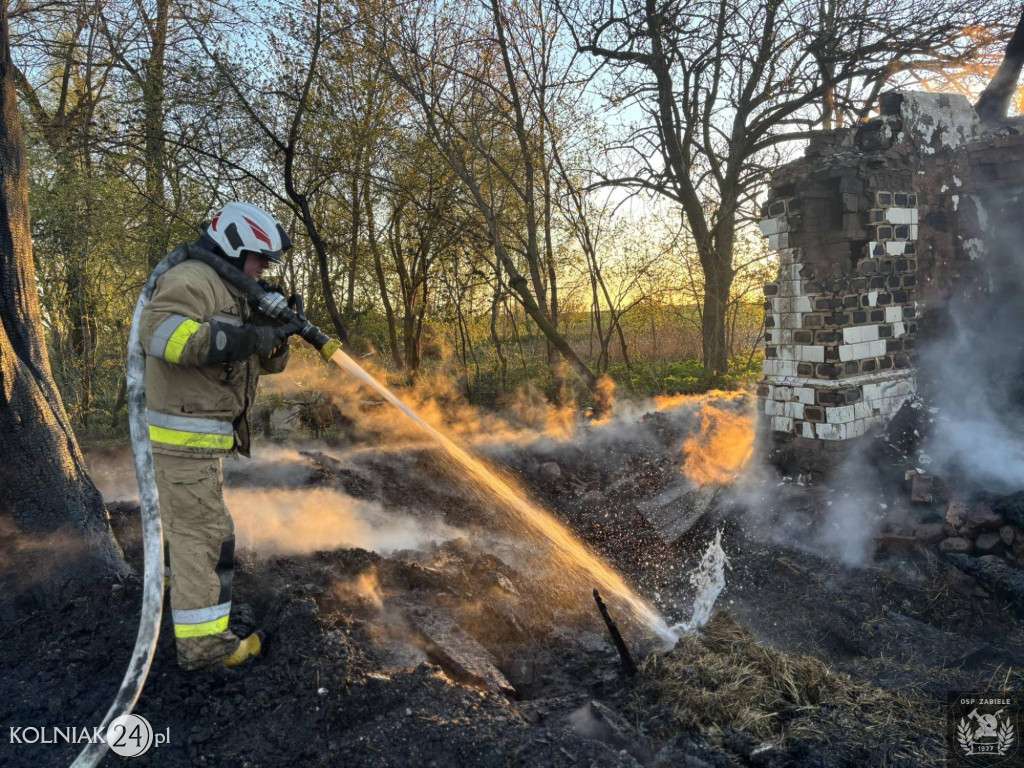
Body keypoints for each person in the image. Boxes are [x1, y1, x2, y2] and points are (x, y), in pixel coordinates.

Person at [139, 202, 297, 670]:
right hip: (180, 440)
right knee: (203, 535)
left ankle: (176, 598)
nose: (264, 268)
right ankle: (205, 648)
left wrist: (275, 334)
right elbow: (162, 336)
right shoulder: (191, 279)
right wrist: (245, 337)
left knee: (201, 532)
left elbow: (264, 360)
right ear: (233, 245)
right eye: (260, 258)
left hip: (201, 443)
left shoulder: (233, 288)